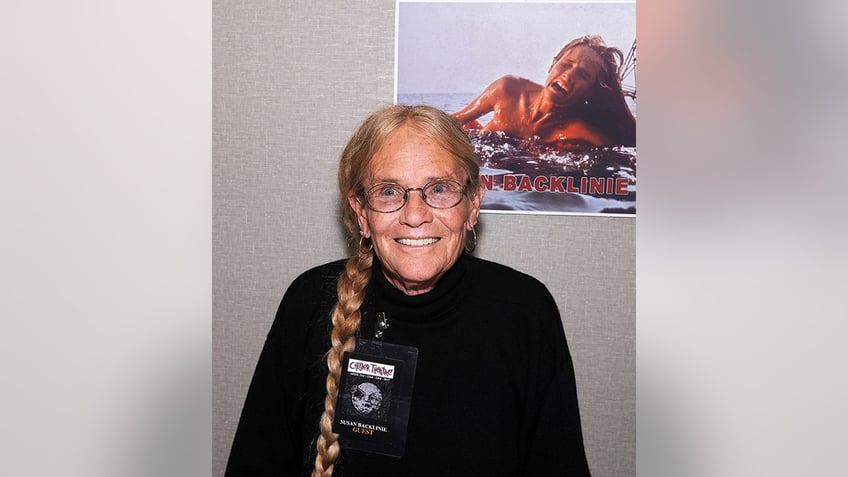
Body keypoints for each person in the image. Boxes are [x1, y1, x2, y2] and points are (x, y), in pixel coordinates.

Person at [225, 104, 591, 476]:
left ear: (473, 205)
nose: (415, 215)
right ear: (361, 213)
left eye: (439, 188)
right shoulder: (310, 303)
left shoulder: (524, 312)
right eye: (388, 191)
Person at [452, 35, 636, 147]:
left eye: (583, 75)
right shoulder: (508, 90)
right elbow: (453, 121)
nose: (568, 75)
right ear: (553, 63)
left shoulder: (579, 133)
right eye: (565, 64)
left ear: (589, 92)